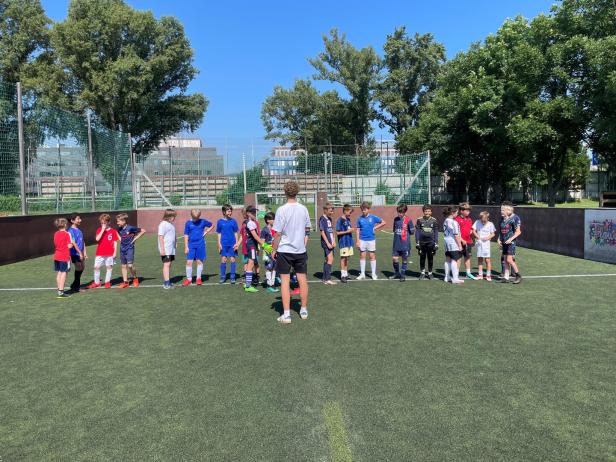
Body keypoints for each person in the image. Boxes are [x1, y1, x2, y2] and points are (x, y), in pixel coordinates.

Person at [271, 181, 312, 324]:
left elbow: (277, 233)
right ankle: (304, 310)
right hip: (300, 250)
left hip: (285, 250)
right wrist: (303, 244)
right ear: (297, 192)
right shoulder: (304, 209)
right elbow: (307, 230)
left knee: (285, 281)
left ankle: (287, 315)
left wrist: (273, 249)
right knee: (302, 280)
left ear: (284, 192)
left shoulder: (281, 210)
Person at [241, 205, 270, 293]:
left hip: (252, 245)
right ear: (248, 213)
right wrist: (264, 245)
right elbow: (255, 236)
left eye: (255, 212)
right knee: (251, 264)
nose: (255, 213)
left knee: (251, 263)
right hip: (251, 245)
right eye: (253, 212)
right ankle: (248, 285)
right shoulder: (250, 223)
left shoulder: (251, 222)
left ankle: (247, 284)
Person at [87, 213, 120, 289]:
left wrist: (115, 252)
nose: (103, 224)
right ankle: (97, 282)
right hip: (100, 253)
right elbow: (97, 239)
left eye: (104, 223)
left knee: (109, 267)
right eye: (101, 223)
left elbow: (115, 242)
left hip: (109, 253)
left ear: (109, 222)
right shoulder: (99, 230)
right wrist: (102, 230)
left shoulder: (113, 231)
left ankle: (107, 282)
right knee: (96, 267)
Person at [355, 201, 386, 280]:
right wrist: (358, 241)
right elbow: (358, 230)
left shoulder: (373, 217)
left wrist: (375, 228)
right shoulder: (359, 218)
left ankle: (373, 274)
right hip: (362, 240)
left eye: (365, 209)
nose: (363, 211)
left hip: (371, 240)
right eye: (362, 209)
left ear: (368, 209)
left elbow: (383, 222)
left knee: (372, 256)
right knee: (362, 256)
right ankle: (362, 274)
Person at [182, 209, 213, 286]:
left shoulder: (203, 221)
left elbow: (212, 225)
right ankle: (189, 279)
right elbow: (186, 235)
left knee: (199, 261)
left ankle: (198, 278)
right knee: (189, 262)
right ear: (191, 216)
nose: (196, 219)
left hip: (200, 244)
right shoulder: (188, 223)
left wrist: (206, 231)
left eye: (197, 218)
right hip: (191, 245)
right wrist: (186, 246)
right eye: (194, 218)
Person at [116, 213, 145, 288]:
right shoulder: (119, 229)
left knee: (130, 265)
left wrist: (135, 238)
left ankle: (135, 278)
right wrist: (120, 240)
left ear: (123, 221)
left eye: (118, 221)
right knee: (123, 266)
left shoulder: (131, 228)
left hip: (129, 248)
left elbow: (143, 231)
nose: (117, 223)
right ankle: (125, 282)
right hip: (122, 249)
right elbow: (117, 234)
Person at [498, 202, 522, 284]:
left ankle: (518, 275)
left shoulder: (515, 218)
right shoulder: (502, 218)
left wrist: (510, 239)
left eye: (503, 209)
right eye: (501, 209)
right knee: (505, 259)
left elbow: (518, 232)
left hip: (511, 243)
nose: (501, 211)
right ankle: (506, 277)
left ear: (508, 210)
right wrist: (499, 239)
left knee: (509, 259)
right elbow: (501, 231)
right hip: (504, 242)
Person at [54, 217, 78, 298]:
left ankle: (59, 290)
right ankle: (61, 291)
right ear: (64, 224)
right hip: (64, 256)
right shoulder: (67, 234)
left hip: (57, 256)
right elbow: (69, 246)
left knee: (59, 272)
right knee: (64, 273)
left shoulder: (56, 233)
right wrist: (71, 243)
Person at [216, 204, 240, 284]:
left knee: (232, 259)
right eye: (228, 211)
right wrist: (219, 243)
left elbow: (235, 232)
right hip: (223, 244)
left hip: (232, 244)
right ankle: (223, 277)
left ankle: (232, 277)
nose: (230, 212)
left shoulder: (233, 221)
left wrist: (236, 243)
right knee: (223, 259)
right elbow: (219, 233)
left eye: (231, 211)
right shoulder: (219, 222)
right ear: (224, 212)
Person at [391, 204, 415, 282]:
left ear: (405, 212)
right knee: (394, 258)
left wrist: (406, 232)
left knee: (404, 259)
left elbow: (412, 232)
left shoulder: (408, 220)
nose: (400, 214)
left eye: (401, 212)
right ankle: (397, 273)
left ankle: (403, 274)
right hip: (396, 243)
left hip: (405, 244)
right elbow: (394, 229)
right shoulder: (395, 219)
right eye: (398, 212)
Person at [415, 205, 438, 280]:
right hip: (422, 242)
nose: (427, 212)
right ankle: (422, 272)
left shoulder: (434, 220)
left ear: (431, 212)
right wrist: (417, 242)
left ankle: (430, 273)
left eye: (428, 211)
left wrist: (436, 243)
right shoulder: (419, 220)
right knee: (422, 257)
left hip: (431, 242)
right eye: (425, 211)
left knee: (430, 258)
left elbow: (436, 231)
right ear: (423, 212)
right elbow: (417, 231)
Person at [455, 202, 477, 280]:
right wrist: (461, 240)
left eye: (469, 210)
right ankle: (455, 273)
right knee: (458, 258)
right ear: (461, 211)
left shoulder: (469, 219)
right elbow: (455, 233)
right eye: (467, 210)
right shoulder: (456, 219)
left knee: (467, 258)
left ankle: (468, 273)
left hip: (468, 242)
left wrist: (474, 238)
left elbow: (470, 231)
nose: (468, 212)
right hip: (459, 243)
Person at [443, 206, 464, 284]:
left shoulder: (446, 220)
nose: (457, 214)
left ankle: (447, 277)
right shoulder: (453, 222)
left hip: (446, 241)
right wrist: (459, 245)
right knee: (454, 259)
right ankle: (455, 278)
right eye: (456, 212)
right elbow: (456, 235)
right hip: (452, 242)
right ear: (452, 213)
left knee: (448, 258)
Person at [472, 211, 496, 281]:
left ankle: (488, 275)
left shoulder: (490, 224)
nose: (483, 222)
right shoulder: (477, 222)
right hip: (479, 243)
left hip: (486, 244)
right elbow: (473, 231)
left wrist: (487, 238)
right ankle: (480, 274)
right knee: (480, 259)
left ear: (488, 218)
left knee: (487, 260)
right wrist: (478, 237)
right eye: (482, 220)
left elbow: (493, 234)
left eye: (484, 221)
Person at [158, 209, 177, 289]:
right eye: (173, 216)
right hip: (166, 249)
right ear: (168, 216)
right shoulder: (163, 224)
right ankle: (166, 283)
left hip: (171, 249)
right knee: (166, 264)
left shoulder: (171, 224)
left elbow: (173, 235)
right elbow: (160, 236)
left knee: (169, 264)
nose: (174, 218)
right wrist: (162, 250)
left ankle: (168, 281)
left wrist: (175, 243)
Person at [68, 213, 86, 293]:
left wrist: (84, 252)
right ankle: (76, 287)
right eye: (78, 219)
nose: (80, 220)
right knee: (79, 268)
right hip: (74, 253)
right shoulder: (70, 231)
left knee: (82, 268)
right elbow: (74, 243)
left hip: (80, 252)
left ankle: (74, 284)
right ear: (72, 221)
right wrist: (80, 253)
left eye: (80, 218)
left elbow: (83, 242)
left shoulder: (79, 230)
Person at [261, 212, 279, 292]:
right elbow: (262, 242)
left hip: (275, 251)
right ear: (268, 220)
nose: (275, 220)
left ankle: (273, 283)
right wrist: (265, 251)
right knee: (269, 267)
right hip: (268, 252)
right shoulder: (264, 230)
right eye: (273, 219)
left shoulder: (275, 229)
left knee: (275, 267)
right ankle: (269, 285)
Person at [336, 204, 354, 283]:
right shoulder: (340, 220)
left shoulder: (348, 219)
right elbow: (337, 232)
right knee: (343, 258)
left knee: (347, 258)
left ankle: (346, 274)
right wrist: (347, 231)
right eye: (350, 212)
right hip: (343, 242)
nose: (350, 214)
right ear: (345, 211)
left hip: (349, 242)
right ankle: (342, 275)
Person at [319, 202, 337, 285]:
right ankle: (328, 279)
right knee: (330, 259)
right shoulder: (322, 219)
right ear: (325, 210)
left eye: (332, 210)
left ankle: (324, 278)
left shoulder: (329, 219)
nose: (332, 212)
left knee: (327, 259)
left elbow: (332, 230)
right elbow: (322, 232)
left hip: (331, 242)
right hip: (326, 243)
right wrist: (328, 243)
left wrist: (334, 241)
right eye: (330, 210)